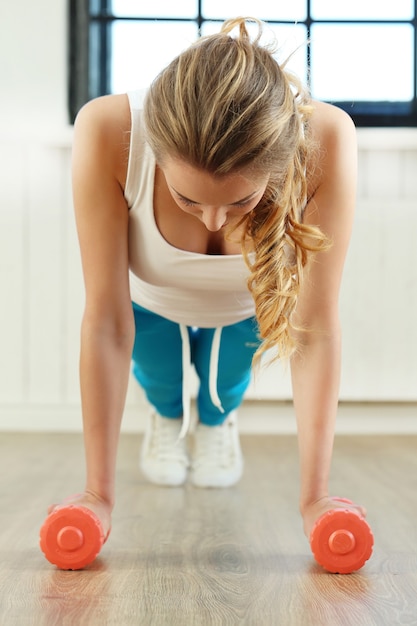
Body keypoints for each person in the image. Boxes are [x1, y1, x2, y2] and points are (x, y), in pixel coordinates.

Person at [48, 17, 367, 545]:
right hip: (148, 301)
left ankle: (216, 423)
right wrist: (97, 494)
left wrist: (316, 497)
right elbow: (106, 321)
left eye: (240, 201)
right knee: (166, 380)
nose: (215, 222)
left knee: (221, 387)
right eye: (188, 199)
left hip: (246, 304)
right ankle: (169, 418)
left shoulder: (326, 139)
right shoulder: (107, 130)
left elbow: (314, 329)